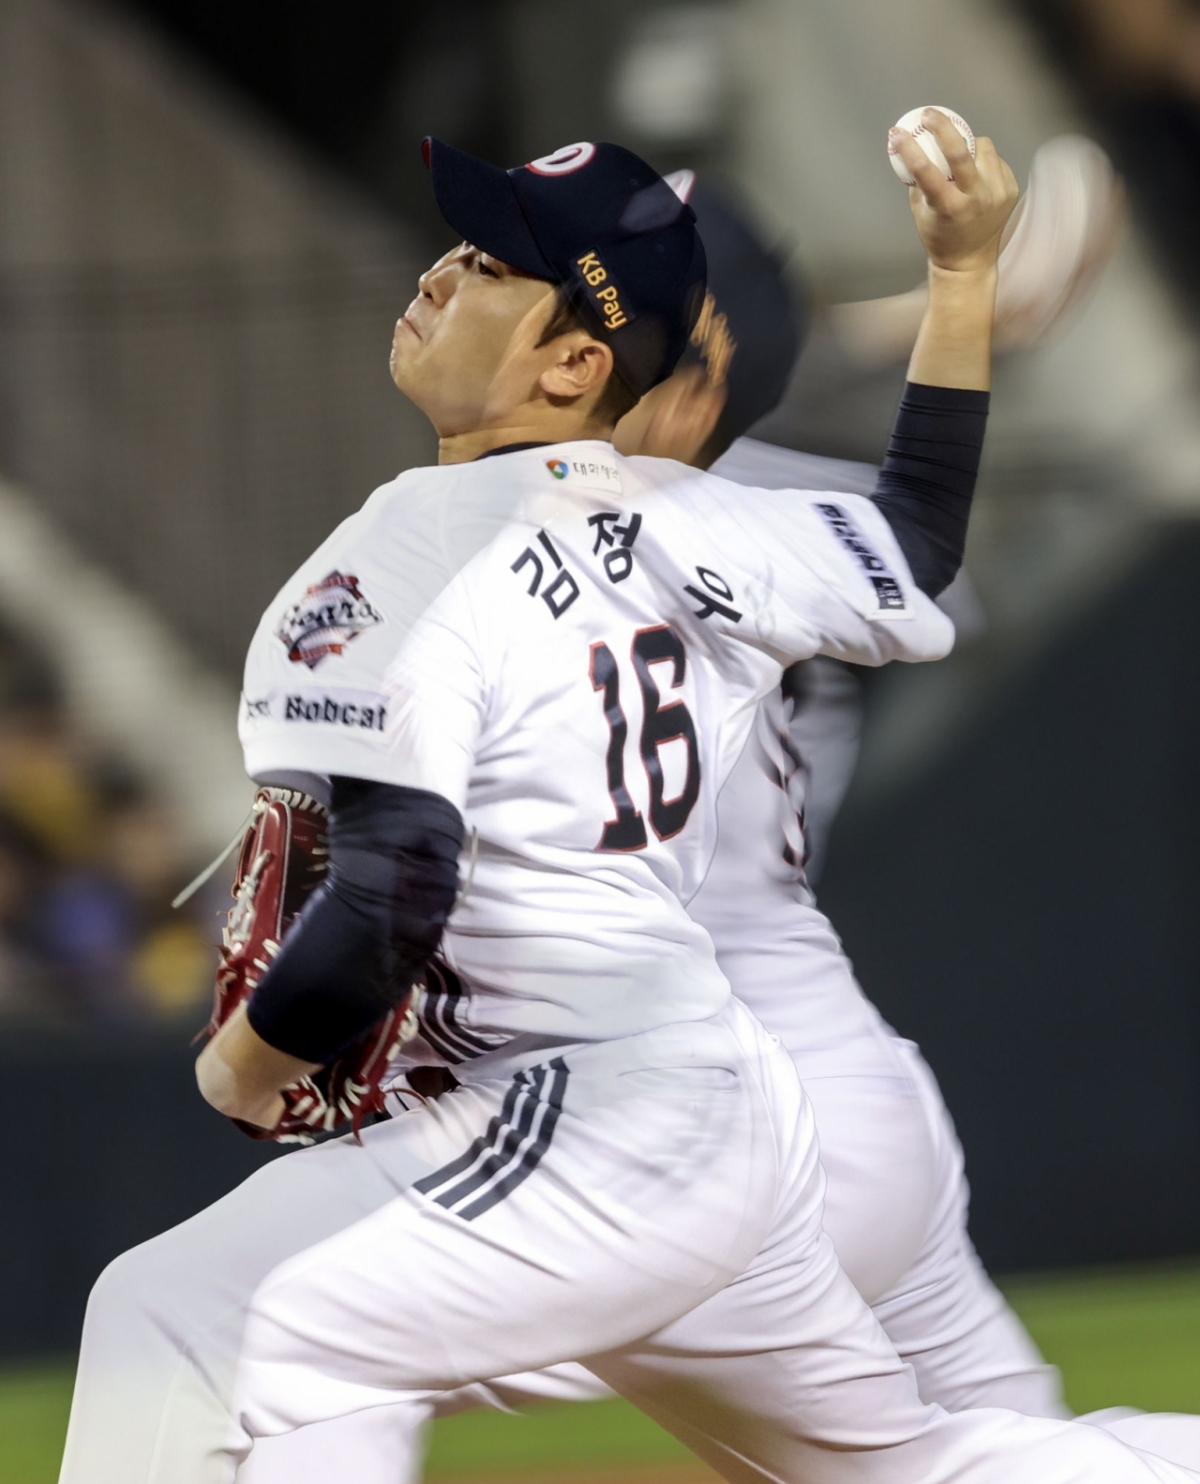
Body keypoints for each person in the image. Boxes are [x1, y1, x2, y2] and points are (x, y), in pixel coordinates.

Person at [59, 123, 1198, 1484]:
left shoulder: (394, 564)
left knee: (209, 1322)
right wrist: (958, 290)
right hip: (737, 1116)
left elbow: (395, 887)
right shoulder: (689, 520)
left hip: (598, 1125)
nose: (436, 272)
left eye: (488, 266)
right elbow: (913, 534)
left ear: (575, 365)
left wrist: (247, 1060)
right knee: (912, 1468)